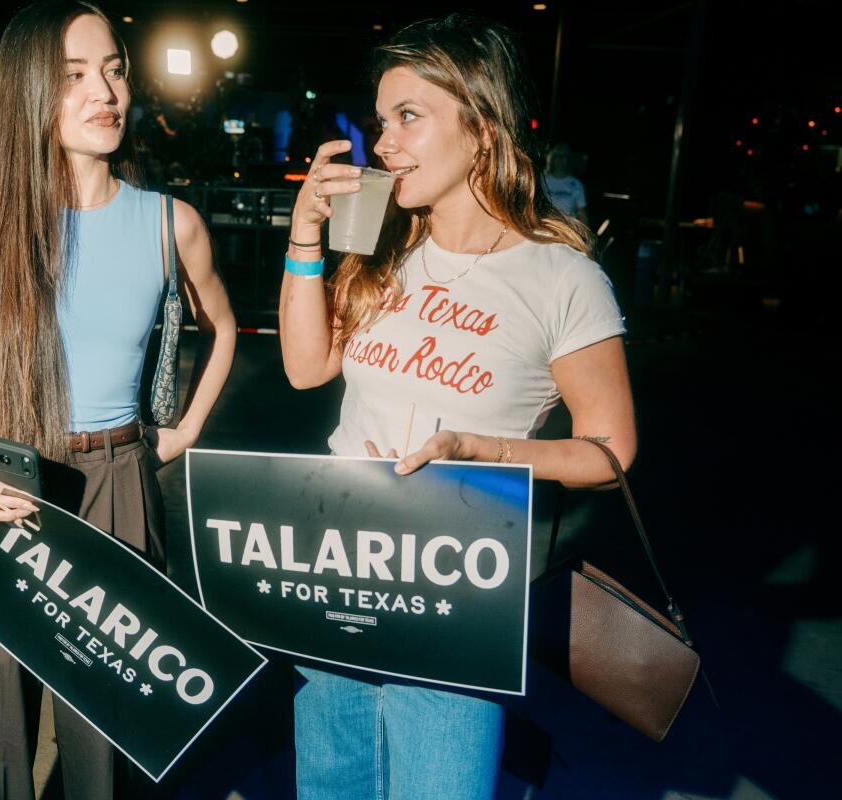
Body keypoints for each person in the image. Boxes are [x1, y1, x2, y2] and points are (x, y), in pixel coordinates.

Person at [279, 14, 635, 799]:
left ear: (481, 129)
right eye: (382, 122)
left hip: (456, 592)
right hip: (337, 573)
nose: (385, 143)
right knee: (331, 789)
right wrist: (307, 236)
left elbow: (610, 453)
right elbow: (307, 369)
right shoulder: (382, 248)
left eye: (410, 117)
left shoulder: (560, 277)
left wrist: (483, 448)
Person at [0, 3, 235, 798]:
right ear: (28, 94)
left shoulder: (169, 224)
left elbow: (225, 330)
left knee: (109, 749)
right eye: (74, 77)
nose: (105, 93)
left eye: (114, 69)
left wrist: (180, 430)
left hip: (118, 486)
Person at [544, 142, 588, 224]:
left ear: (569, 159)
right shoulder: (543, 181)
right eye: (558, 156)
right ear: (552, 158)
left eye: (564, 156)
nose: (560, 159)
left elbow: (582, 214)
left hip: (568, 230)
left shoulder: (576, 184)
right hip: (547, 227)